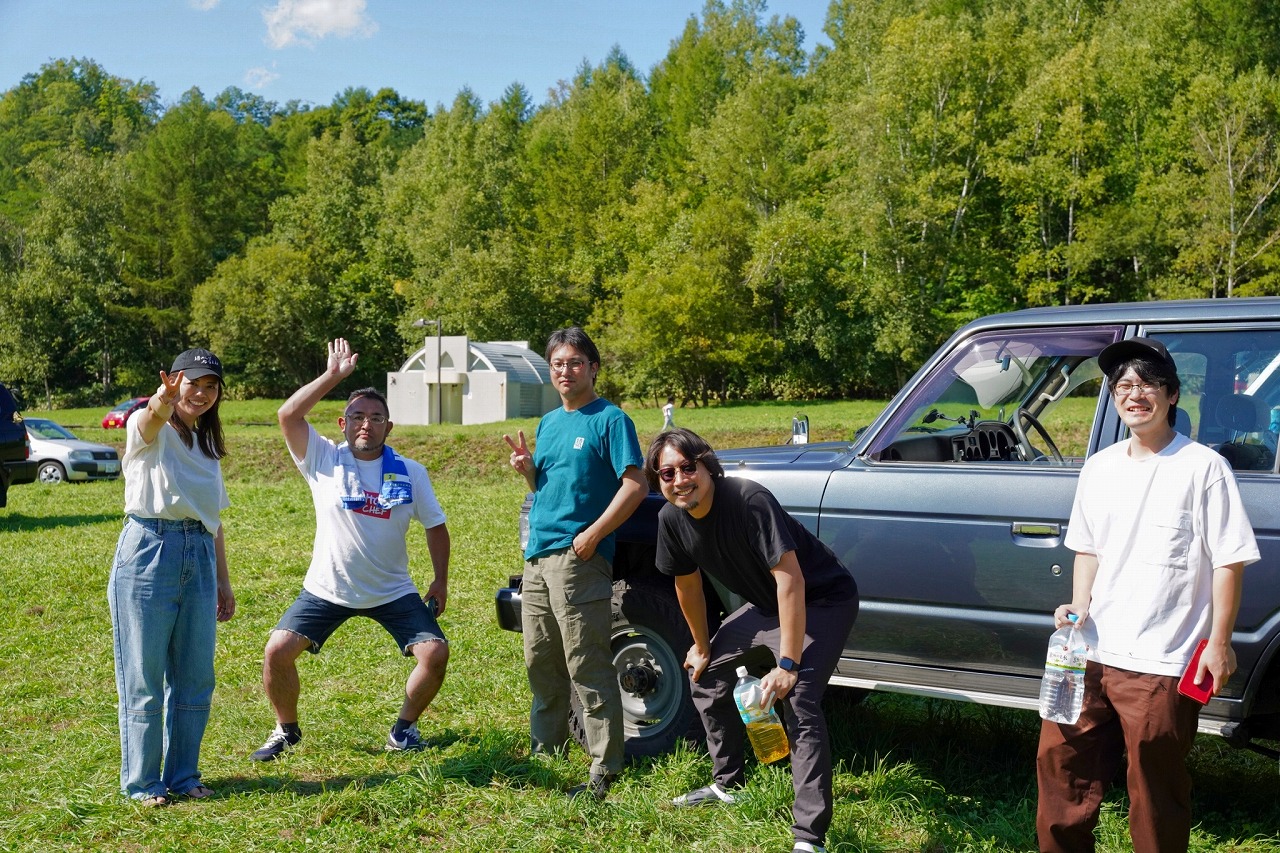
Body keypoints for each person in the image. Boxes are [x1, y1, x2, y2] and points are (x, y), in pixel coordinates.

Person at [1036, 337, 1260, 853]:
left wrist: (1219, 643)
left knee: (1154, 791)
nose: (1135, 394)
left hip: (1163, 660)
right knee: (1060, 771)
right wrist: (1079, 604)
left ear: (1173, 395)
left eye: (1148, 384)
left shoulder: (1204, 468)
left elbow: (1229, 561)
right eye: (1124, 386)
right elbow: (1088, 549)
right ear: (1115, 398)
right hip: (1087, 652)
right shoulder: (1099, 467)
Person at [647, 427, 859, 853]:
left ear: (707, 465)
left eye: (688, 468)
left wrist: (786, 664)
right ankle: (729, 783)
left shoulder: (748, 501)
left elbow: (791, 581)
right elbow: (686, 587)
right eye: (666, 474)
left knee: (797, 699)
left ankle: (809, 838)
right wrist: (702, 646)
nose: (679, 480)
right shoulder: (671, 518)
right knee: (704, 677)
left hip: (822, 600)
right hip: (765, 606)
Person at [250, 338, 451, 761]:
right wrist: (333, 376)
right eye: (357, 416)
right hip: (328, 588)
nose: (366, 424)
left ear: (388, 428)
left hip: (392, 589)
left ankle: (403, 729)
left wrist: (440, 579)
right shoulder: (322, 457)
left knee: (435, 653)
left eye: (376, 418)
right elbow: (287, 414)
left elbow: (436, 526)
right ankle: (286, 730)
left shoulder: (411, 472)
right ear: (342, 423)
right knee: (276, 651)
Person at [503, 326, 647, 800]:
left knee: (586, 663)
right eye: (558, 363)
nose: (566, 370)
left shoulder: (610, 420)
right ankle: (546, 761)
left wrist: (593, 535)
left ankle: (605, 770)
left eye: (575, 362)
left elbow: (635, 485)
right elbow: (548, 492)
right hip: (538, 558)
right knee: (540, 663)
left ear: (593, 368)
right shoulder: (548, 423)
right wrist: (529, 471)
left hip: (579, 558)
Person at [109, 348, 235, 806]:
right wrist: (162, 396)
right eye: (192, 383)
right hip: (149, 551)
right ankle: (142, 784)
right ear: (174, 382)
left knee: (195, 676)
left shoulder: (206, 444)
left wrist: (223, 580)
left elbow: (213, 519)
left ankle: (183, 776)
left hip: (198, 554)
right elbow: (151, 416)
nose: (200, 394)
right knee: (144, 676)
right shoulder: (148, 428)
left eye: (210, 386)